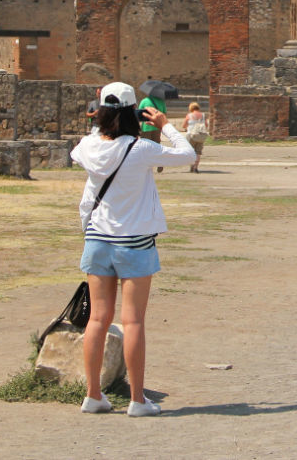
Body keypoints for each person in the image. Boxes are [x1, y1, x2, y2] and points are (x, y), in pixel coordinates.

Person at [73, 81, 195, 416]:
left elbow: (84, 145)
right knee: (134, 321)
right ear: (133, 112)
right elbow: (188, 154)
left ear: (101, 112)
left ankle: (93, 394)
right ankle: (137, 400)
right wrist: (165, 125)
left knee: (97, 319)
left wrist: (99, 121)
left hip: (97, 239)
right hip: (134, 242)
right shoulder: (139, 149)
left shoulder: (87, 146)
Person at [182, 102, 209, 173]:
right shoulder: (203, 115)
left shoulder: (189, 115)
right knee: (198, 152)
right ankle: (196, 167)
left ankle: (191, 165)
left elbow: (184, 125)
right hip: (200, 136)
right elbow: (206, 125)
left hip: (191, 135)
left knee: (190, 151)